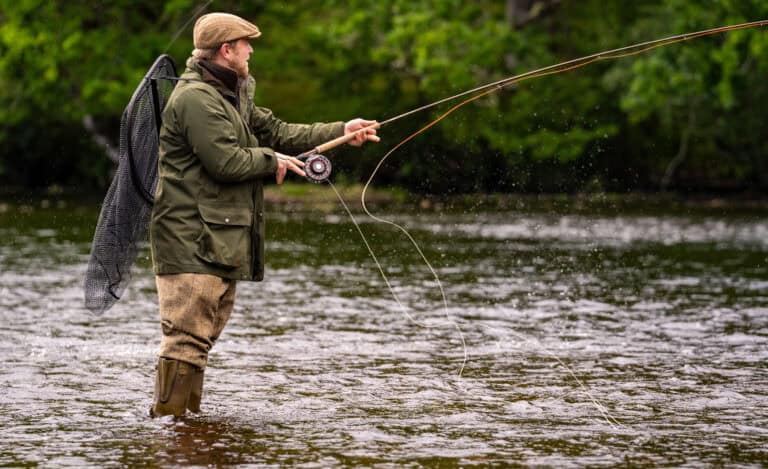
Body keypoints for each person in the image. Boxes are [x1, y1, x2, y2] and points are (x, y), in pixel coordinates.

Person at [148, 12, 379, 417]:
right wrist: (272, 160)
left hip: (213, 242)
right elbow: (225, 162)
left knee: (197, 344)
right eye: (245, 44)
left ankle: (186, 437)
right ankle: (170, 434)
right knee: (185, 342)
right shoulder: (195, 99)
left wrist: (342, 130)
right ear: (226, 50)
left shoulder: (230, 94)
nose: (251, 50)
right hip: (189, 243)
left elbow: (280, 132)